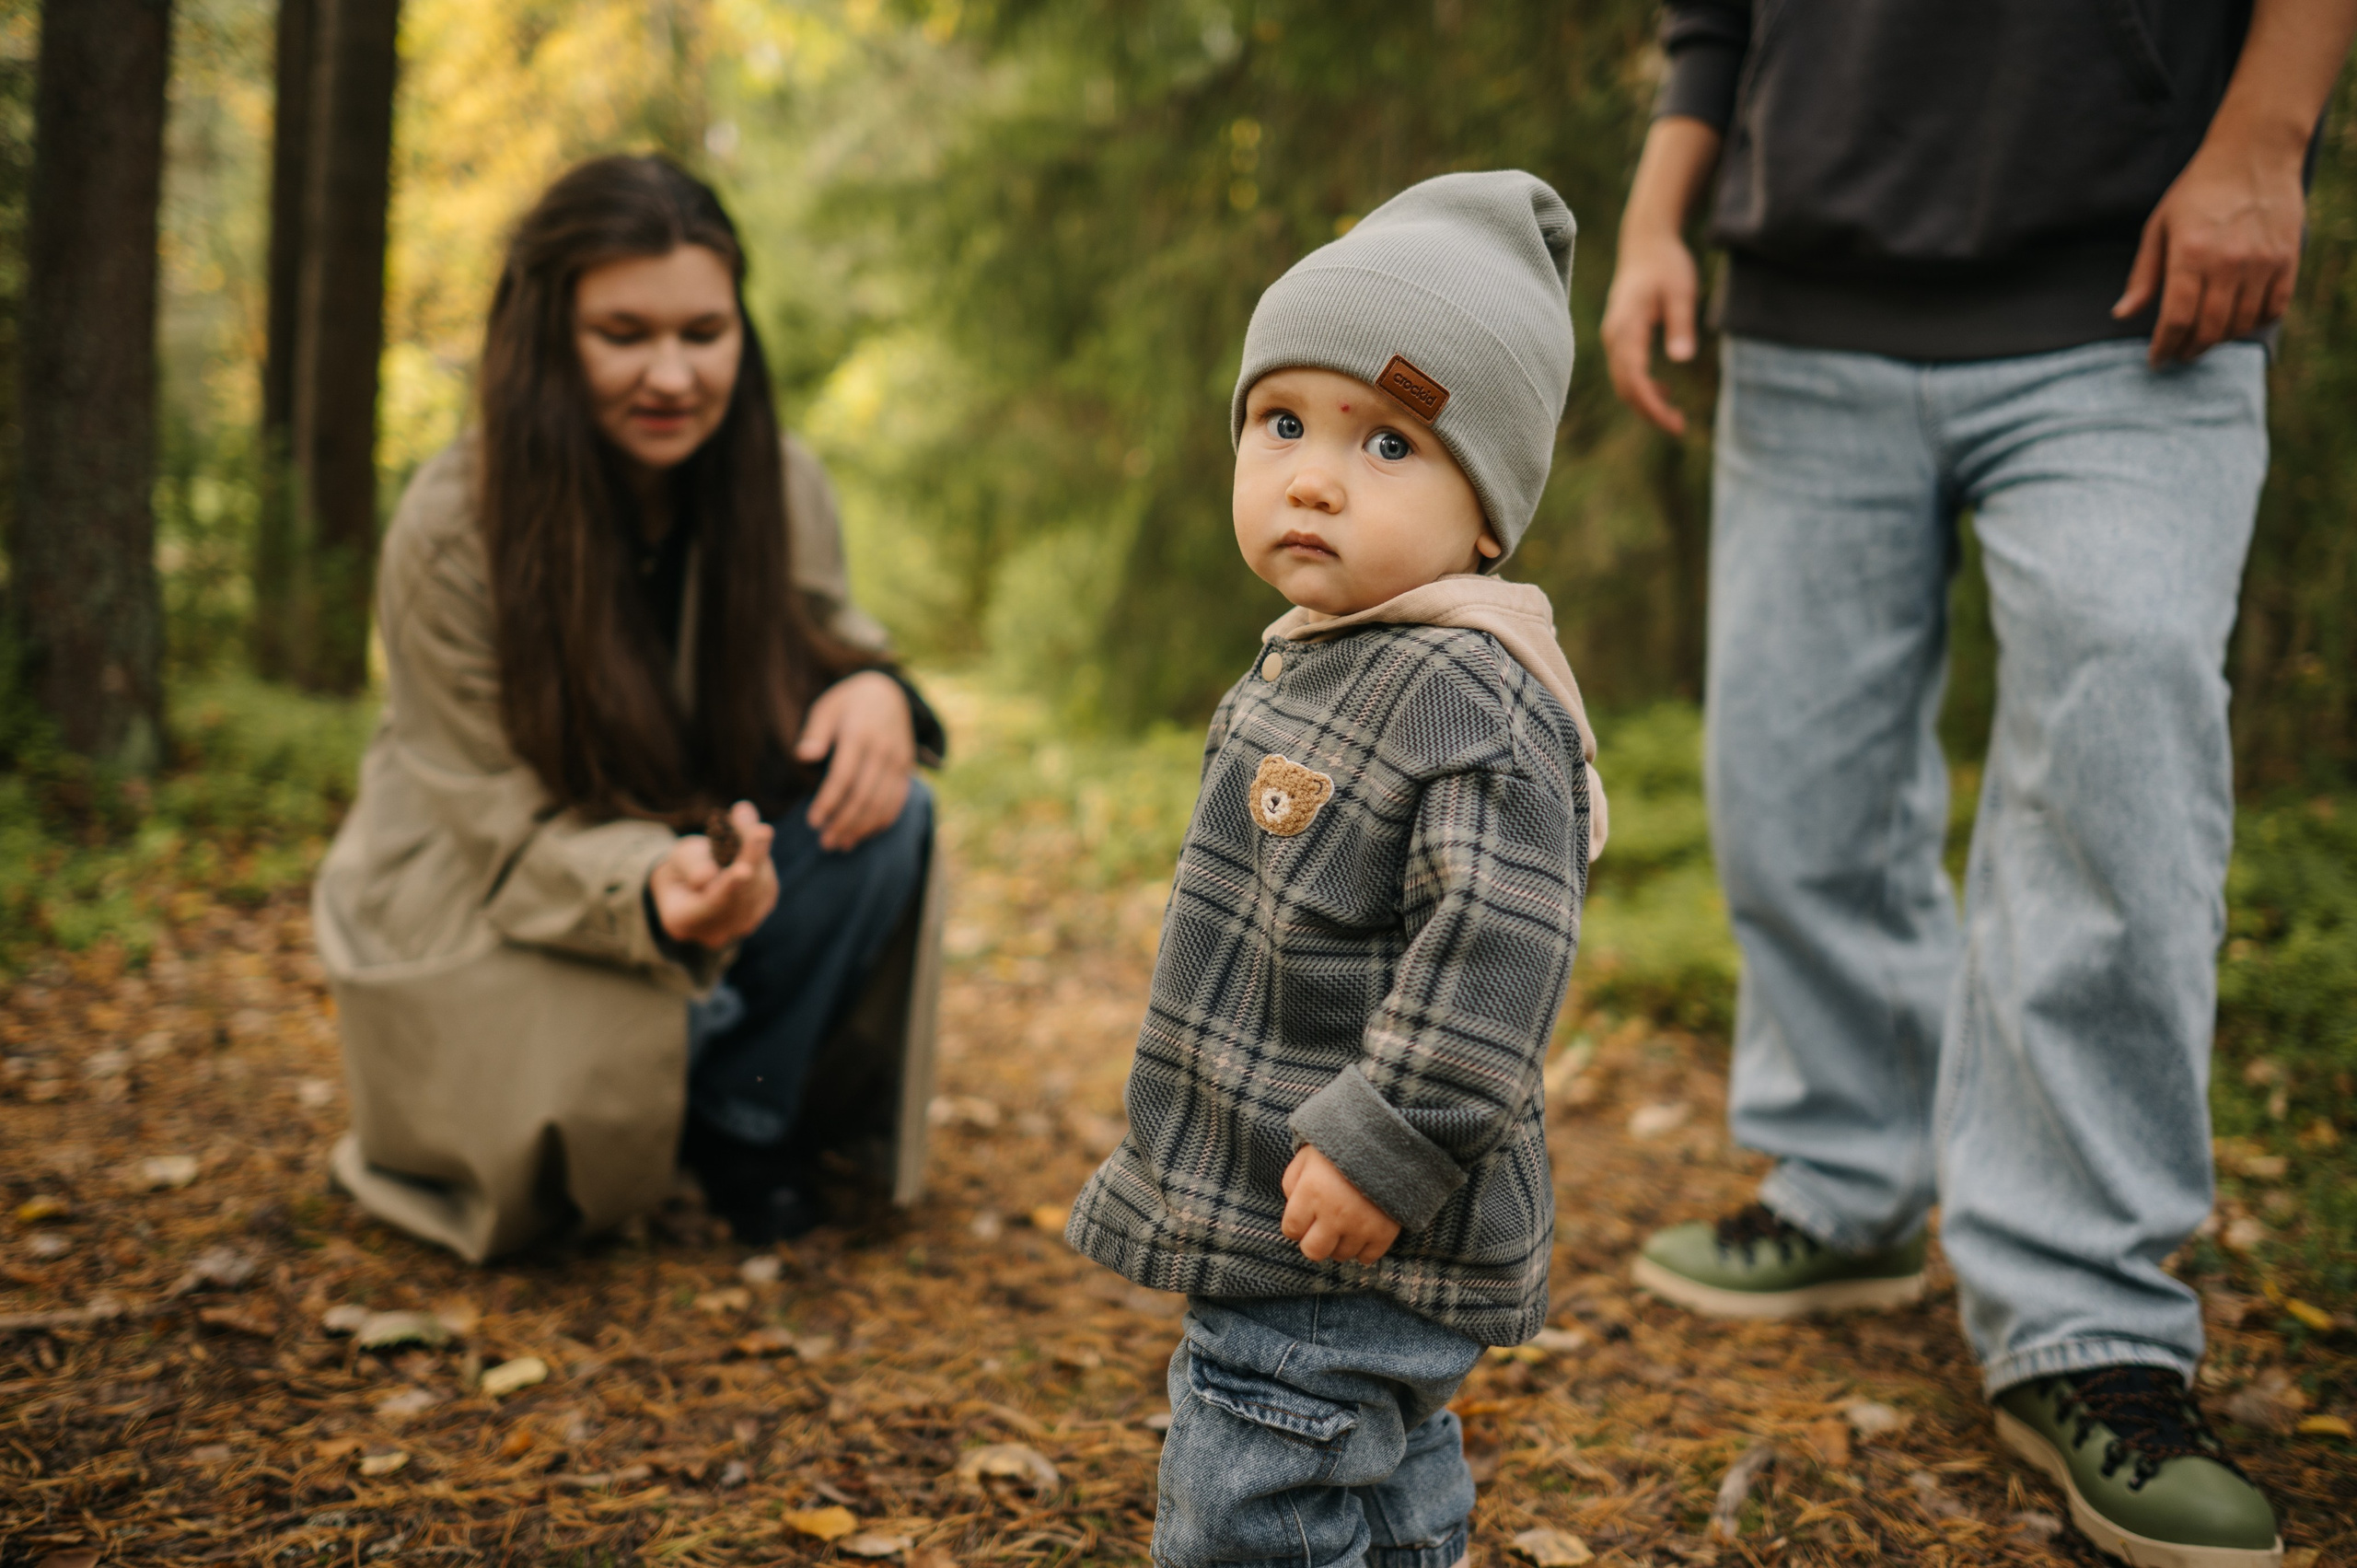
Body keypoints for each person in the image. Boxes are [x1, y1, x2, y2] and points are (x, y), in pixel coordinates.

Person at [1600, 3, 2357, 1563]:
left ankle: (2087, 1314)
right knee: (1789, 779)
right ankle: (1846, 1175)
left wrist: (2266, 140)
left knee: (2118, 777)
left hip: (2138, 285)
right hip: (1805, 302)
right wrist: (1655, 216)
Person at [1066, 172, 1600, 1568]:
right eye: (1283, 423)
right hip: (1292, 1198)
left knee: (1253, 1486)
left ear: (1486, 512)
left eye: (1390, 442)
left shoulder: (1467, 691)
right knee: (1376, 1464)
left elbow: (1498, 953)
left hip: (1342, 1216)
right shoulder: (1327, 654)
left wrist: (1383, 1149)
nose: (1312, 475)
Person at [313, 156, 946, 1261]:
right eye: (623, 333)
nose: (671, 375)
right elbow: (489, 820)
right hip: (496, 881)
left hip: (694, 854)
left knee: (889, 809)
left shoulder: (782, 480)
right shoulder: (449, 527)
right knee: (552, 1153)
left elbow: (828, 641)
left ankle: (742, 1118)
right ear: (546, 335)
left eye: (703, 332)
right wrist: (647, 886)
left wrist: (877, 691)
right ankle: (683, 1055)